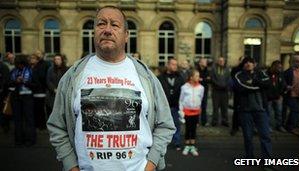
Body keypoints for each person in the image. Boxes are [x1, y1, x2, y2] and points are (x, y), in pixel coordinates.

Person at [47, 6, 175, 171]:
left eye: (115, 25)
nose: (107, 30)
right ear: (94, 32)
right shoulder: (73, 76)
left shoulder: (146, 77)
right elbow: (57, 126)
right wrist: (71, 166)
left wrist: (149, 166)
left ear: (126, 35)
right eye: (101, 24)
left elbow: (165, 125)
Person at [233, 57, 272, 159]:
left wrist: (254, 81)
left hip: (261, 109)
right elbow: (241, 87)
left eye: (251, 62)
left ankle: (267, 160)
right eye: (246, 62)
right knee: (248, 137)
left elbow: (268, 84)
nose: (248, 64)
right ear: (243, 64)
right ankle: (249, 157)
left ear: (254, 64)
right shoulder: (239, 75)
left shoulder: (261, 73)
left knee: (265, 136)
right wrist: (259, 85)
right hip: (245, 111)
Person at [158, 58, 184, 151]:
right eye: (173, 64)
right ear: (168, 65)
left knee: (176, 124)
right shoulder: (160, 78)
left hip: (176, 105)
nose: (175, 67)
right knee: (163, 125)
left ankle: (177, 142)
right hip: (164, 105)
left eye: (176, 65)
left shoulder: (180, 77)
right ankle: (164, 142)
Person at [9, 54, 36, 147]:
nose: (20, 66)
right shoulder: (13, 71)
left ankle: (30, 140)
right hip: (16, 97)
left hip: (27, 97)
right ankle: (19, 140)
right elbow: (8, 84)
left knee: (29, 119)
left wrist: (25, 82)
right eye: (19, 64)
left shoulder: (30, 71)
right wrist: (16, 81)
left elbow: (36, 85)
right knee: (17, 120)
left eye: (22, 64)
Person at [179, 69, 204, 156]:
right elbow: (181, 100)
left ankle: (192, 146)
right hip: (187, 111)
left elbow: (200, 98)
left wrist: (198, 107)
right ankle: (187, 145)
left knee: (193, 129)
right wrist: (181, 111)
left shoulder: (201, 88)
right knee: (188, 128)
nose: (198, 77)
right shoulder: (184, 87)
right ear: (191, 77)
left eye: (198, 76)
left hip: (196, 112)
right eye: (196, 76)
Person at [282, 55, 299, 135]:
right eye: (297, 61)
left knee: (294, 111)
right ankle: (291, 127)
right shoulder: (288, 72)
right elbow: (283, 83)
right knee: (295, 111)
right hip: (291, 95)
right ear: (292, 62)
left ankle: (290, 125)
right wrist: (286, 87)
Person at [30, 52, 50, 130]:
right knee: (36, 109)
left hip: (40, 91)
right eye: (31, 58)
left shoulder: (40, 66)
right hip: (33, 91)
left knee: (40, 109)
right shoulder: (31, 67)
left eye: (33, 58)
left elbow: (41, 78)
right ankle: (37, 124)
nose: (31, 60)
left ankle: (42, 125)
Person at [266, 60, 287, 132]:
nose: (279, 69)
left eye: (280, 68)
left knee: (279, 113)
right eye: (278, 67)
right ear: (273, 66)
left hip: (278, 97)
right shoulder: (266, 73)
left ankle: (279, 126)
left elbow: (283, 84)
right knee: (267, 113)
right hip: (268, 98)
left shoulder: (280, 74)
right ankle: (267, 126)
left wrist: (281, 94)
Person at [210, 57, 230, 127]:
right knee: (215, 107)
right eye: (220, 61)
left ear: (224, 61)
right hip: (216, 91)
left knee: (224, 107)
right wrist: (218, 85)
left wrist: (225, 85)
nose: (221, 62)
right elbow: (212, 78)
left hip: (224, 91)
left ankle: (225, 121)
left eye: (222, 61)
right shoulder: (214, 69)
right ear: (217, 62)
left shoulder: (227, 69)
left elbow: (228, 79)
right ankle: (215, 121)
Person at [230, 56, 245, 136]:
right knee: (236, 110)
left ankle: (243, 125)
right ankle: (235, 127)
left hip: (246, 94)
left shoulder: (247, 69)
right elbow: (233, 80)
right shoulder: (236, 69)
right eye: (242, 60)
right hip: (238, 93)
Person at [196, 57, 211, 126]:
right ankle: (196, 121)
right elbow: (196, 79)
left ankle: (204, 121)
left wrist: (202, 79)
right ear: (200, 63)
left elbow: (209, 80)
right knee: (197, 106)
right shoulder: (196, 70)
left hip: (205, 91)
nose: (206, 63)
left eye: (206, 62)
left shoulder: (207, 70)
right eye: (204, 62)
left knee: (204, 106)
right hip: (196, 91)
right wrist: (205, 79)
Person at [0, 59, 10, 133]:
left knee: (3, 110)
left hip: (2, 93)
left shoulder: (4, 67)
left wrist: (3, 90)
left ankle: (5, 126)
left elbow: (6, 81)